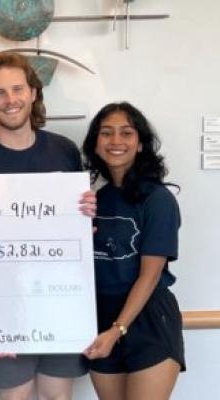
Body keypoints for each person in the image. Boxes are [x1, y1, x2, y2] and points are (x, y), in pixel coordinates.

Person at [0, 52, 94, 400]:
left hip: (59, 301)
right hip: (3, 309)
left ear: (33, 92)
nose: (10, 100)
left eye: (18, 89)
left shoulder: (65, 152)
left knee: (57, 398)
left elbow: (75, 227)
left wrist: (86, 219)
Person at [82, 102, 185, 399]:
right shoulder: (94, 201)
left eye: (126, 133)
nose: (116, 141)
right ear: (95, 143)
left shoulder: (158, 200)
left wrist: (117, 330)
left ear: (140, 144)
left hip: (148, 320)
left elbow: (149, 277)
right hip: (101, 316)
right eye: (107, 133)